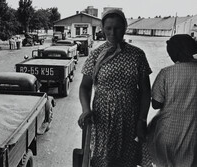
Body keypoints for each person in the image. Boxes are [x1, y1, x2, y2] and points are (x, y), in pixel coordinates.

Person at [78, 9, 152, 167]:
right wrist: (85, 109)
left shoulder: (137, 55)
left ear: (125, 27)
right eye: (108, 28)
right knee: (104, 160)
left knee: (127, 161)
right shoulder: (96, 55)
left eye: (117, 27)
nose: (113, 32)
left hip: (131, 118)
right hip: (103, 118)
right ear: (102, 28)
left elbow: (146, 91)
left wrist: (142, 120)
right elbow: (85, 86)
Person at [147, 34, 197, 167]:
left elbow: (156, 104)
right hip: (193, 136)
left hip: (168, 134)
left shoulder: (166, 73)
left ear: (174, 53)